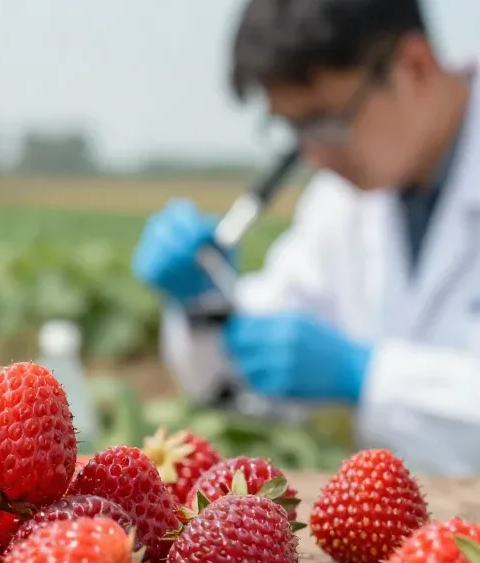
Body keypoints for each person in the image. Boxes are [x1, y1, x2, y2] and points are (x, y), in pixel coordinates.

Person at [133, 0, 480, 475]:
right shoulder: (343, 201)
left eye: (327, 120)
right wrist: (204, 306)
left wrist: (366, 376)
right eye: (295, 129)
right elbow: (247, 381)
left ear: (413, 66)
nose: (315, 154)